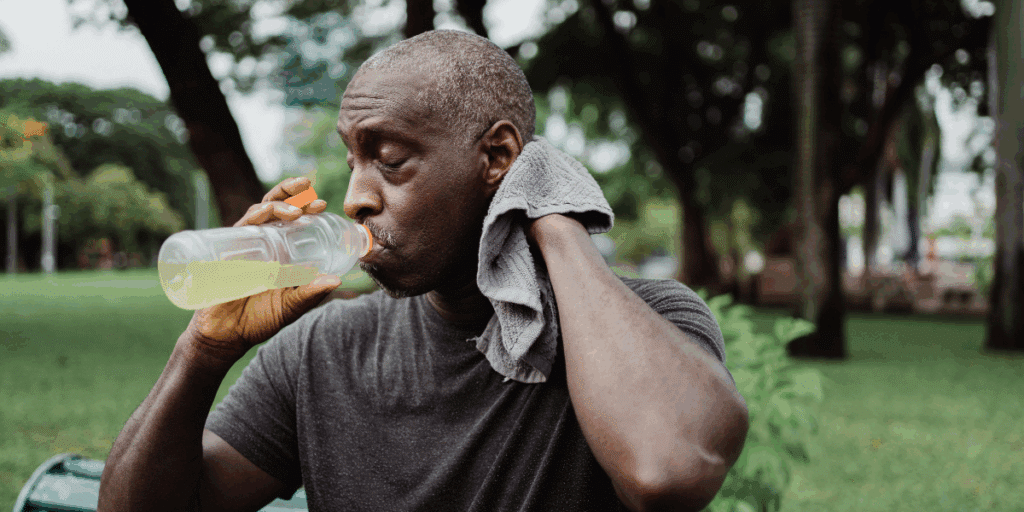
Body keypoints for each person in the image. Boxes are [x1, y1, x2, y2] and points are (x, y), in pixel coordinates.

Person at [98, 30, 748, 512]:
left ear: (498, 156)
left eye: (391, 160)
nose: (356, 196)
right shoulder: (321, 350)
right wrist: (203, 351)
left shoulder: (650, 326)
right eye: (354, 160)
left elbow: (667, 471)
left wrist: (553, 215)